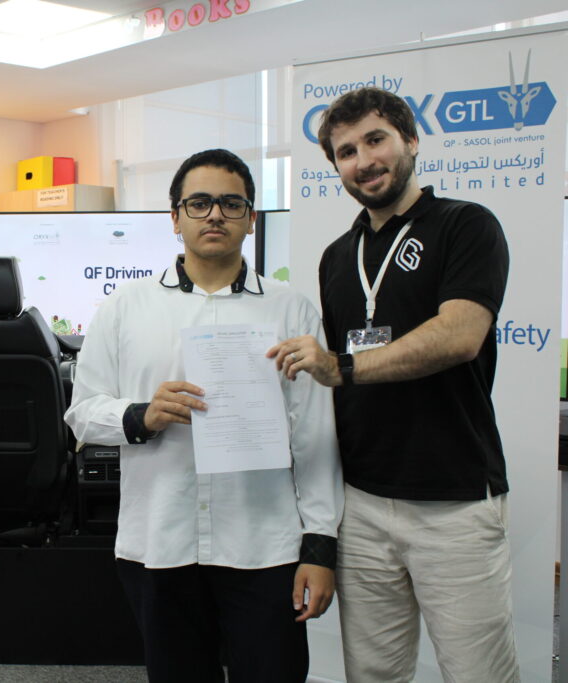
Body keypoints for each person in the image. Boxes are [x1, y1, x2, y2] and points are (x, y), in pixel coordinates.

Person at [267, 87, 517, 682]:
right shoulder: (337, 256)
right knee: (373, 674)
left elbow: (460, 335)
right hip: (362, 502)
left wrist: (344, 367)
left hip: (454, 500)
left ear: (410, 140)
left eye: (375, 140)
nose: (364, 160)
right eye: (346, 152)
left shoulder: (466, 224)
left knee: (478, 674)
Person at [65, 149, 343, 683]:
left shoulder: (290, 309)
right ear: (175, 217)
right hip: (161, 543)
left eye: (231, 204)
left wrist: (320, 547)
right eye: (199, 203)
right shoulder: (125, 307)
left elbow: (314, 434)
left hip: (265, 546)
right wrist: (142, 415)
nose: (215, 214)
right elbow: (82, 413)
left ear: (251, 218)